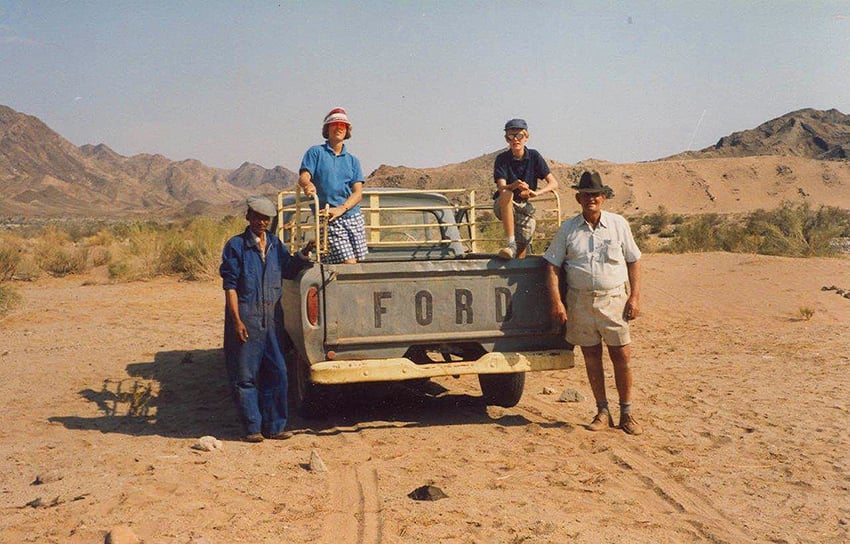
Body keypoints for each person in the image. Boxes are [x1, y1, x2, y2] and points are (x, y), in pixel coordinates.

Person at [543, 171, 643, 435]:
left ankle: (627, 413)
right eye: (586, 195)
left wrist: (635, 296)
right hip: (580, 302)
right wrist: (557, 302)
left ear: (604, 197)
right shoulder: (568, 229)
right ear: (578, 198)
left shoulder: (619, 224)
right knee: (591, 357)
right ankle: (602, 411)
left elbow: (633, 260)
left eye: (596, 195)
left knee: (621, 356)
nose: (591, 199)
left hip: (614, 301)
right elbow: (551, 265)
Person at [220, 196, 313, 443]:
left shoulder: (274, 244)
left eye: (266, 219)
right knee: (246, 375)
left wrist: (303, 254)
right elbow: (230, 287)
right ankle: (253, 428)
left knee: (279, 372)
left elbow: (289, 269)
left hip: (273, 319)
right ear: (248, 216)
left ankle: (275, 427)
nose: (262, 222)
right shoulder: (236, 246)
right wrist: (236, 321)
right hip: (247, 317)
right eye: (258, 217)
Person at [298, 107, 368, 264]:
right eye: (334, 124)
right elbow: (304, 176)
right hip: (328, 217)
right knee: (349, 262)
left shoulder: (353, 160)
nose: (338, 128)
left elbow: (357, 193)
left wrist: (342, 208)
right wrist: (307, 184)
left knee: (359, 262)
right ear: (327, 129)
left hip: (352, 215)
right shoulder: (315, 152)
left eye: (342, 125)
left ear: (347, 130)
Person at [493, 118, 559, 259]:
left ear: (526, 137)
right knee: (507, 193)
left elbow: (553, 183)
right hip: (504, 203)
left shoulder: (534, 156)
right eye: (511, 136)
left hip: (523, 204)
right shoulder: (502, 159)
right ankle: (510, 243)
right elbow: (501, 187)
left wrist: (535, 193)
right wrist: (514, 185)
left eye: (519, 136)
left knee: (525, 236)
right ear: (506, 139)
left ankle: (517, 259)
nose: (515, 140)